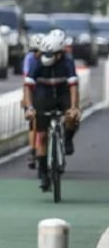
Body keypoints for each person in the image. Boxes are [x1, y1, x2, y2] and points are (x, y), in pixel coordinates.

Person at [23, 31, 81, 191]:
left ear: (59, 54)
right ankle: (43, 174)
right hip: (43, 95)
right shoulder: (36, 62)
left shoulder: (67, 62)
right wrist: (29, 108)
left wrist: (74, 108)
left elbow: (73, 86)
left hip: (62, 94)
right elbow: (27, 88)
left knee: (73, 116)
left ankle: (68, 138)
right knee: (41, 135)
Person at [22, 33, 45, 169]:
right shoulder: (29, 59)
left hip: (47, 91)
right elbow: (26, 81)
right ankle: (32, 149)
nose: (37, 54)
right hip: (34, 91)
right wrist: (25, 99)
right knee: (33, 121)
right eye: (34, 51)